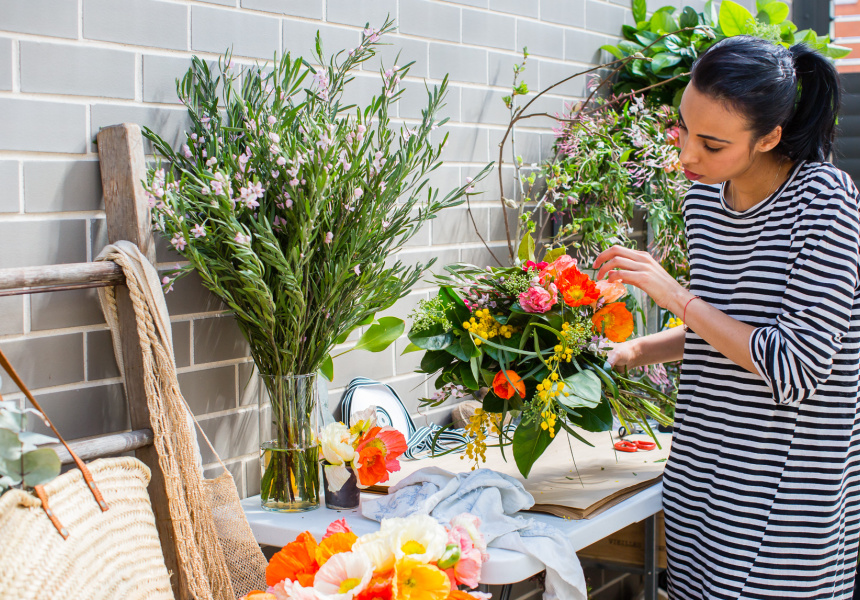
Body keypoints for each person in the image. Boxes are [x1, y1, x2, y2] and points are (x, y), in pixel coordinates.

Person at [593, 36, 860, 598]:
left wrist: (675, 295)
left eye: (712, 144)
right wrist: (633, 352)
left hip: (786, 500)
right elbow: (724, 329)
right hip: (700, 479)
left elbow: (794, 367)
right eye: (684, 128)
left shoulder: (824, 200)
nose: (687, 156)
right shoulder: (704, 202)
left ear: (770, 137)